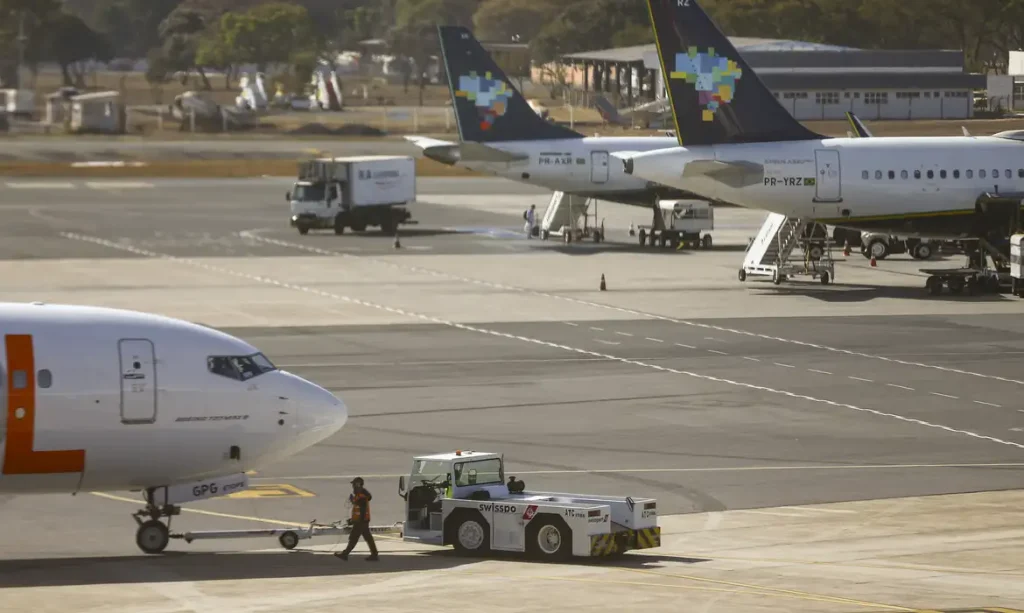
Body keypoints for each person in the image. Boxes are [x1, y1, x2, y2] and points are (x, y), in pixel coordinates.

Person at [334, 477, 378, 561]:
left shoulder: (362, 496)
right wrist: (352, 519)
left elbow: (362, 510)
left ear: (357, 485)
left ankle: (345, 554)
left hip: (361, 522)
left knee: (353, 538)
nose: (353, 486)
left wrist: (355, 521)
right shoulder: (360, 495)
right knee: (368, 537)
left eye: (354, 484)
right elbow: (358, 508)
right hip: (362, 521)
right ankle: (374, 554)